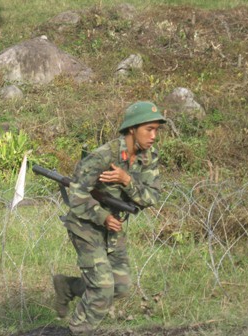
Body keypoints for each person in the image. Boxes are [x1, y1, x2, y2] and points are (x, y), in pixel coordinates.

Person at [53, 101, 167, 335]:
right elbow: (76, 195)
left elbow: (151, 196)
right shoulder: (103, 156)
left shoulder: (149, 156)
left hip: (113, 226)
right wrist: (102, 216)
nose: (154, 136)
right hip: (85, 223)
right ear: (132, 129)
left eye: (157, 129)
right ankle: (78, 330)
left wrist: (127, 180)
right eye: (149, 129)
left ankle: (68, 286)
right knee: (103, 290)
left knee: (120, 287)